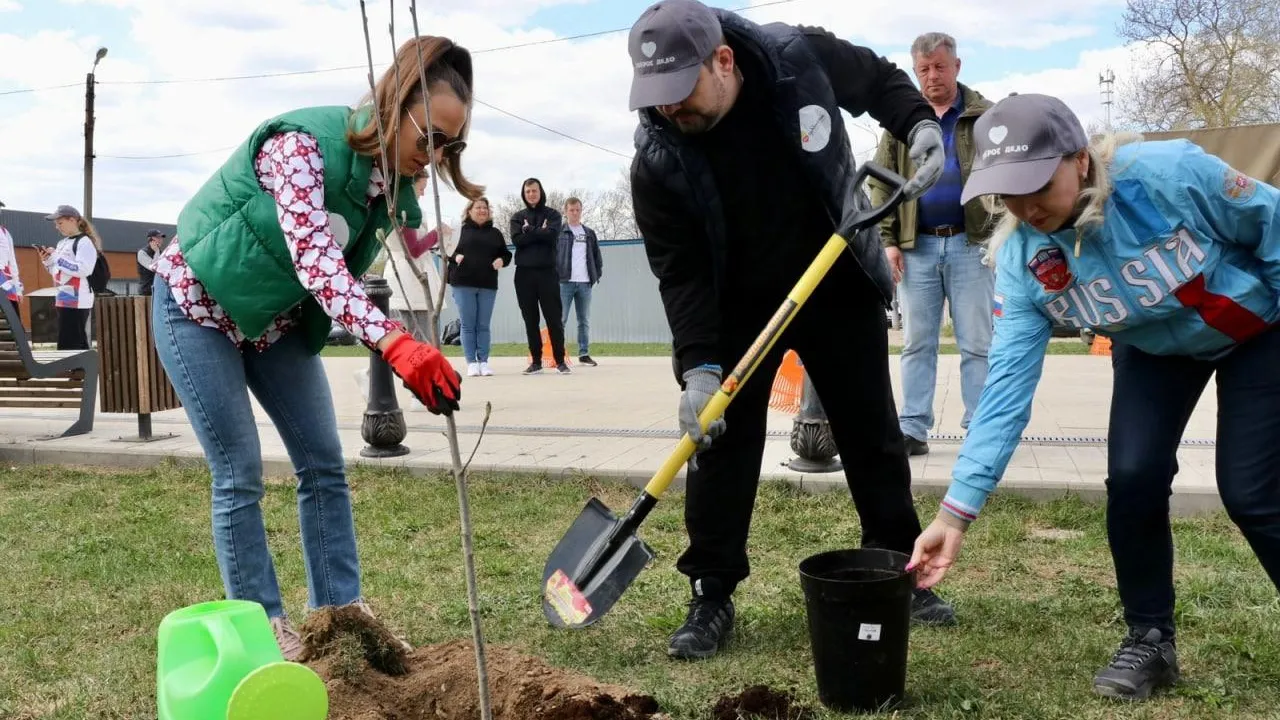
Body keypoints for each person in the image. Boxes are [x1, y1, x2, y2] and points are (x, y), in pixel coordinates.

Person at [908, 93, 1280, 701]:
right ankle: (1150, 638)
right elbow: (1004, 387)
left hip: (1261, 327)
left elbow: (1274, 228)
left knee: (1253, 491)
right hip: (1155, 349)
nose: (1025, 207)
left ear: (1079, 160)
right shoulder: (1025, 262)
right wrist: (955, 513)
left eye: (1037, 184)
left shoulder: (1171, 175)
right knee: (1132, 477)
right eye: (1007, 193)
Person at [626, 0, 955, 661]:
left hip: (835, 272)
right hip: (735, 307)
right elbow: (679, 274)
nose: (669, 110)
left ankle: (901, 569)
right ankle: (711, 593)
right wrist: (698, 369)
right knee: (721, 446)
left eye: (680, 92)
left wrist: (918, 124)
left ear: (723, 61)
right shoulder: (657, 162)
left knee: (871, 432)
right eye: (655, 96)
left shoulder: (795, 58)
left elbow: (874, 79)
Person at [150, 35, 475, 661]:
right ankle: (262, 627)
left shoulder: (387, 184)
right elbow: (316, 261)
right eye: (430, 137)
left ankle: (340, 611)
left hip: (273, 321)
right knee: (239, 471)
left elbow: (372, 257)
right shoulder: (300, 146)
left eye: (451, 146)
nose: (435, 157)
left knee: (324, 463)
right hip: (198, 306)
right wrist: (393, 341)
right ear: (396, 101)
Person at [871, 32, 995, 455]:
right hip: (916, 248)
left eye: (940, 66)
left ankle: (980, 427)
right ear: (914, 71)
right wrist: (888, 242)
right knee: (917, 342)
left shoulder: (986, 117)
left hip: (972, 245)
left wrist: (1002, 239)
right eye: (923, 69)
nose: (932, 76)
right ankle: (913, 429)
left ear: (956, 67)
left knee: (977, 341)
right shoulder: (901, 123)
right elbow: (879, 180)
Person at [510, 177, 568, 374]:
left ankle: (560, 360)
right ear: (524, 194)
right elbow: (517, 240)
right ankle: (535, 361)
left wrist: (530, 230)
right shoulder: (517, 217)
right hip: (524, 274)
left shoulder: (552, 214)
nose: (531, 194)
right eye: (528, 192)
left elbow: (552, 235)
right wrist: (539, 232)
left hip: (547, 273)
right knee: (530, 319)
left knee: (554, 318)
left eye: (534, 191)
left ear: (540, 192)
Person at [448, 195, 511, 376]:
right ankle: (471, 363)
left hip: (487, 284)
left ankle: (483, 362)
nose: (483, 210)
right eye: (478, 207)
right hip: (463, 283)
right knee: (468, 325)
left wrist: (501, 260)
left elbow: (506, 255)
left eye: (485, 208)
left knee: (483, 325)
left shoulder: (495, 233)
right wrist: (455, 256)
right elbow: (445, 250)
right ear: (469, 211)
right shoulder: (459, 231)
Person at [386, 173, 450, 338]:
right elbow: (413, 250)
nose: (422, 193)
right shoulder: (405, 208)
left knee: (412, 333)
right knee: (418, 335)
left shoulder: (398, 206)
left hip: (405, 274)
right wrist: (436, 234)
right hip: (410, 277)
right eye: (421, 188)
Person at [39, 205, 100, 350]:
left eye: (60, 223)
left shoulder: (84, 241)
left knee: (73, 340)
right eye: (55, 224)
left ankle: (77, 370)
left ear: (72, 220)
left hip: (78, 298)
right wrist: (47, 260)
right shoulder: (62, 243)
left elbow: (84, 269)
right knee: (69, 338)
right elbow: (57, 271)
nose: (57, 227)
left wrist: (56, 257)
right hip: (63, 295)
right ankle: (74, 370)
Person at [557, 196, 604, 366]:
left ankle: (584, 354)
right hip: (564, 283)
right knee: (560, 320)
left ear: (581, 211)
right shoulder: (559, 232)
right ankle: (559, 354)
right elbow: (553, 256)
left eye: (577, 210)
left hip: (585, 283)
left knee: (583, 320)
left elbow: (597, 257)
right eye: (571, 210)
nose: (575, 213)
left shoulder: (589, 233)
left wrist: (595, 275)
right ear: (566, 211)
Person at [137, 230, 164, 296]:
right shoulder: (142, 252)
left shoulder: (161, 252)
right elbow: (154, 267)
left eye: (161, 237)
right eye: (158, 237)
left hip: (158, 289)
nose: (161, 240)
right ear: (151, 240)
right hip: (147, 292)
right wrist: (157, 251)